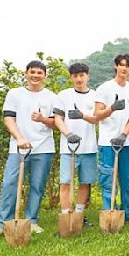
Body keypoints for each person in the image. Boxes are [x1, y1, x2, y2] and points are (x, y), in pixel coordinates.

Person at [0, 60, 59, 241]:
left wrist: (43, 119)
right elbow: (8, 119)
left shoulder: (52, 97)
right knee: (10, 183)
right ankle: (2, 224)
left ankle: (31, 220)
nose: (35, 76)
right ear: (26, 73)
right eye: (32, 72)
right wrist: (20, 138)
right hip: (18, 147)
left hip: (44, 147)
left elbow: (56, 123)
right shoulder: (15, 94)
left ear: (45, 76)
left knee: (37, 185)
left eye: (40, 73)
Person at [94, 54, 129, 222]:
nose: (124, 68)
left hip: (125, 143)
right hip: (107, 142)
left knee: (128, 179)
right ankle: (109, 213)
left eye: (127, 66)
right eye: (121, 65)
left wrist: (124, 134)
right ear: (115, 66)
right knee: (108, 179)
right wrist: (112, 108)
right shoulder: (104, 88)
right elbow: (97, 115)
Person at [53, 63, 98, 222]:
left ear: (88, 76)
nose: (79, 78)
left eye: (82, 75)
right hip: (68, 147)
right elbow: (58, 119)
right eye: (75, 76)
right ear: (71, 77)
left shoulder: (95, 96)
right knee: (65, 182)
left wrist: (82, 115)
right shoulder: (63, 95)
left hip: (89, 147)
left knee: (85, 182)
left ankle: (79, 216)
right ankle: (66, 216)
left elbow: (97, 119)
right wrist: (68, 133)